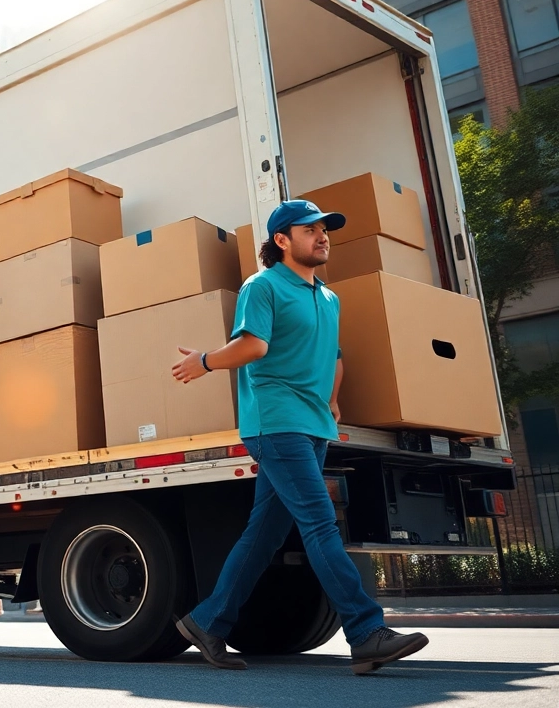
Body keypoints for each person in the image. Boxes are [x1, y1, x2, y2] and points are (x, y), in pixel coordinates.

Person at [169, 200, 429, 676]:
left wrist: (332, 398)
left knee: (263, 534)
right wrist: (205, 361)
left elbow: (334, 355)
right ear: (282, 241)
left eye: (324, 228)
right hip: (276, 421)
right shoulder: (262, 286)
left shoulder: (327, 297)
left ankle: (207, 622)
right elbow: (254, 345)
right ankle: (366, 631)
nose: (322, 235)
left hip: (313, 425)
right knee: (320, 524)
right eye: (310, 229)